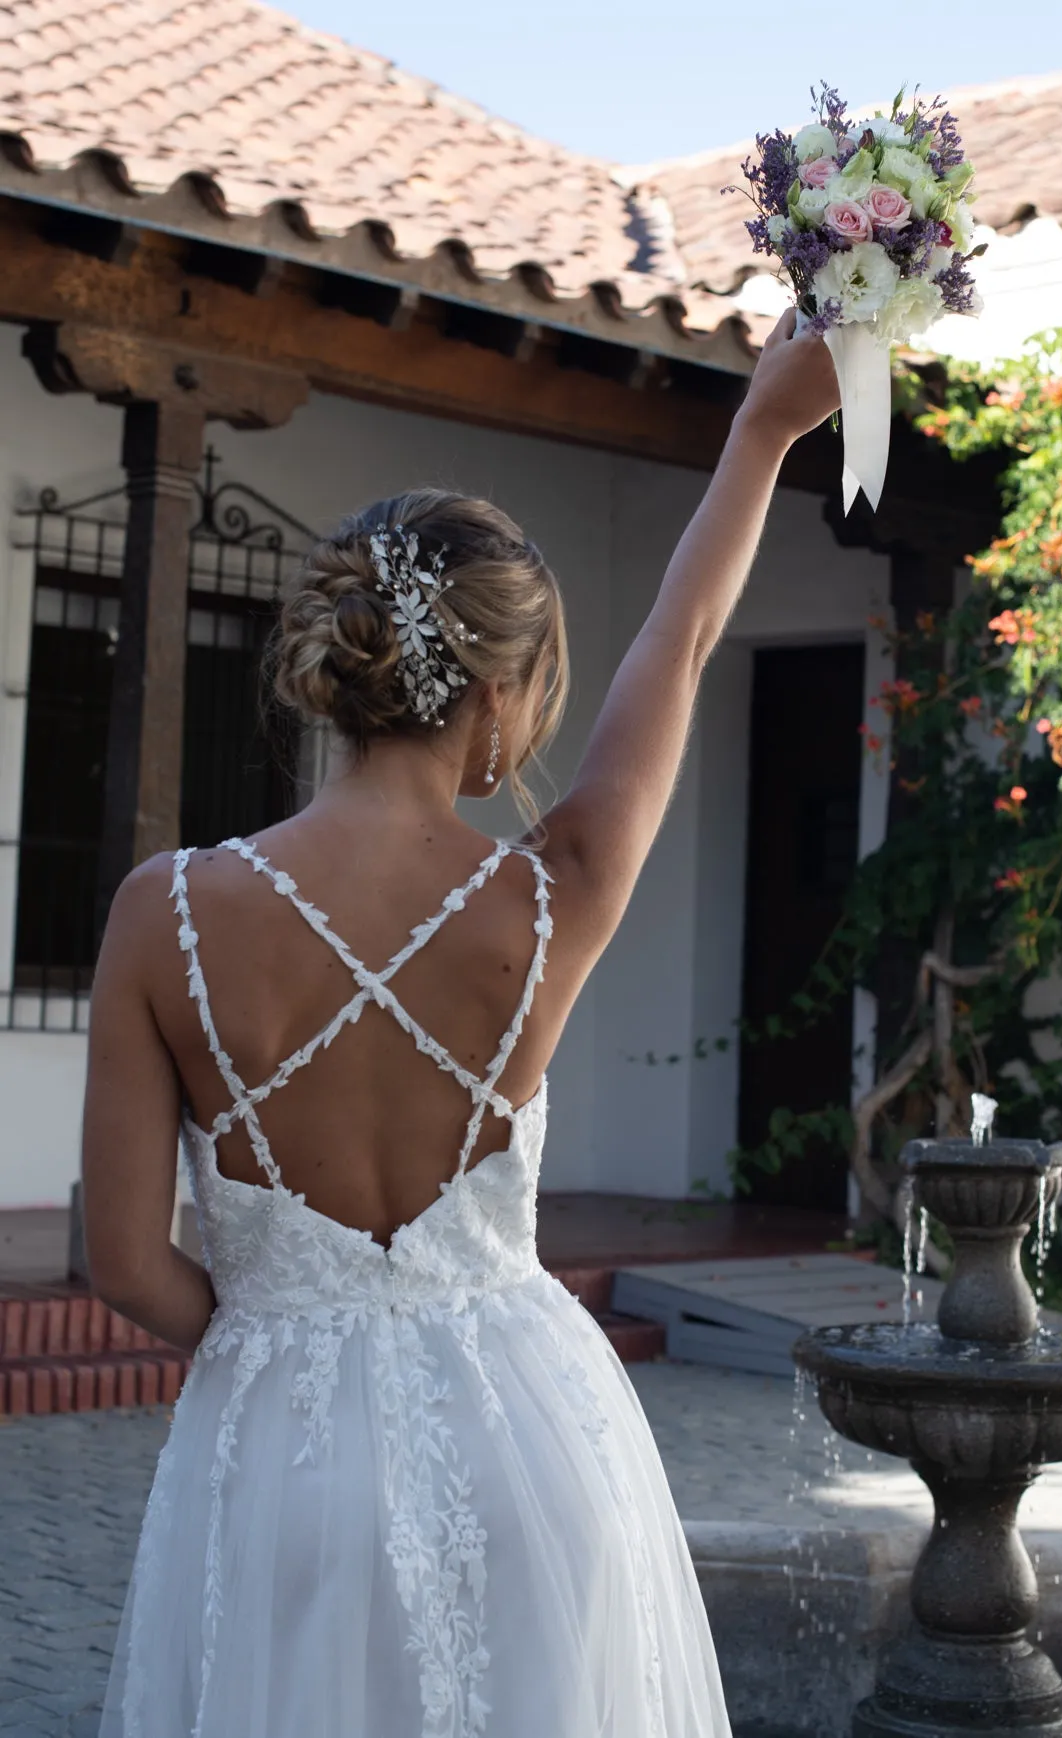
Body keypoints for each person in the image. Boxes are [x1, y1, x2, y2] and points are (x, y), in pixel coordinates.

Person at [80, 308, 840, 1738]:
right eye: (537, 693)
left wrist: (276, 1335)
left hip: (275, 1457)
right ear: (492, 697)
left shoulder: (160, 913)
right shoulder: (552, 896)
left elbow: (122, 1257)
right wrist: (762, 429)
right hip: (532, 1441)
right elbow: (676, 649)